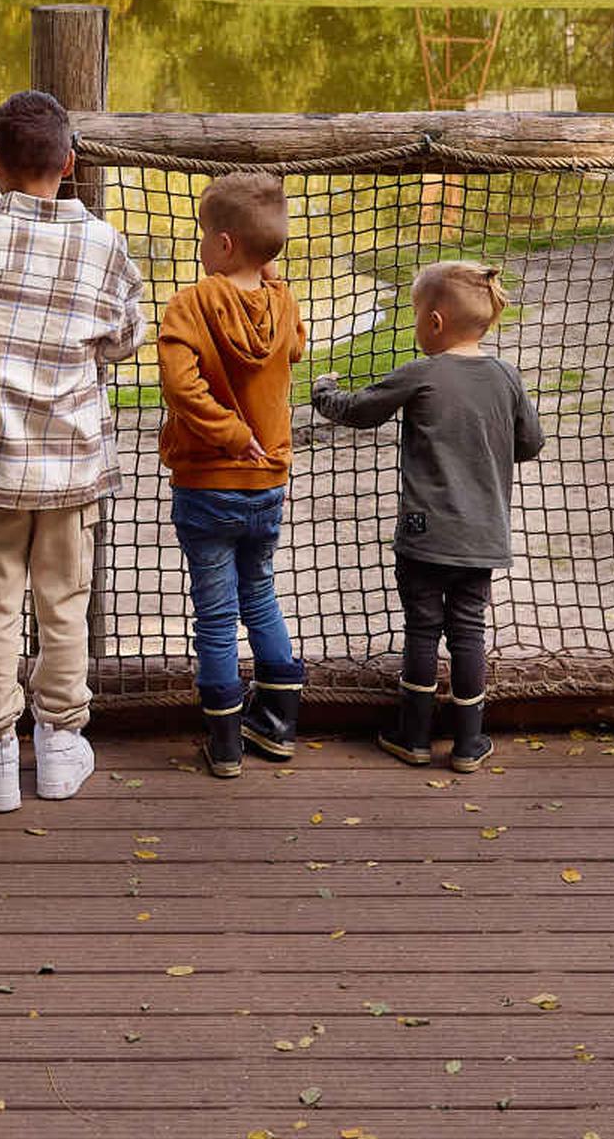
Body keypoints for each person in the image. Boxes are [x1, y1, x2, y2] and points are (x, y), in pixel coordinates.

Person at [0, 88, 144, 814]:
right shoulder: (104, 243)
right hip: (71, 459)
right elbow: (126, 336)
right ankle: (60, 747)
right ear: (69, 163)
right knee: (64, 602)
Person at [314, 261, 540, 771]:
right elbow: (530, 443)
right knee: (468, 632)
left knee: (422, 629)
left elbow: (360, 410)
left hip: (425, 533)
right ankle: (467, 742)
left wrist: (323, 390)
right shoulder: (506, 375)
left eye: (416, 314)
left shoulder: (422, 372)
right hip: (483, 534)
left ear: (435, 323)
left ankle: (412, 736)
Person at [153, 169, 307, 778]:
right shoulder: (282, 301)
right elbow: (294, 346)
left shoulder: (190, 303)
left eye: (201, 234)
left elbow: (178, 383)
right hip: (268, 481)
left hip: (207, 484)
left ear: (222, 245)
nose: (199, 244)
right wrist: (272, 280)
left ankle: (224, 745)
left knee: (215, 614)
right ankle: (278, 725)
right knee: (261, 594)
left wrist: (227, 433)